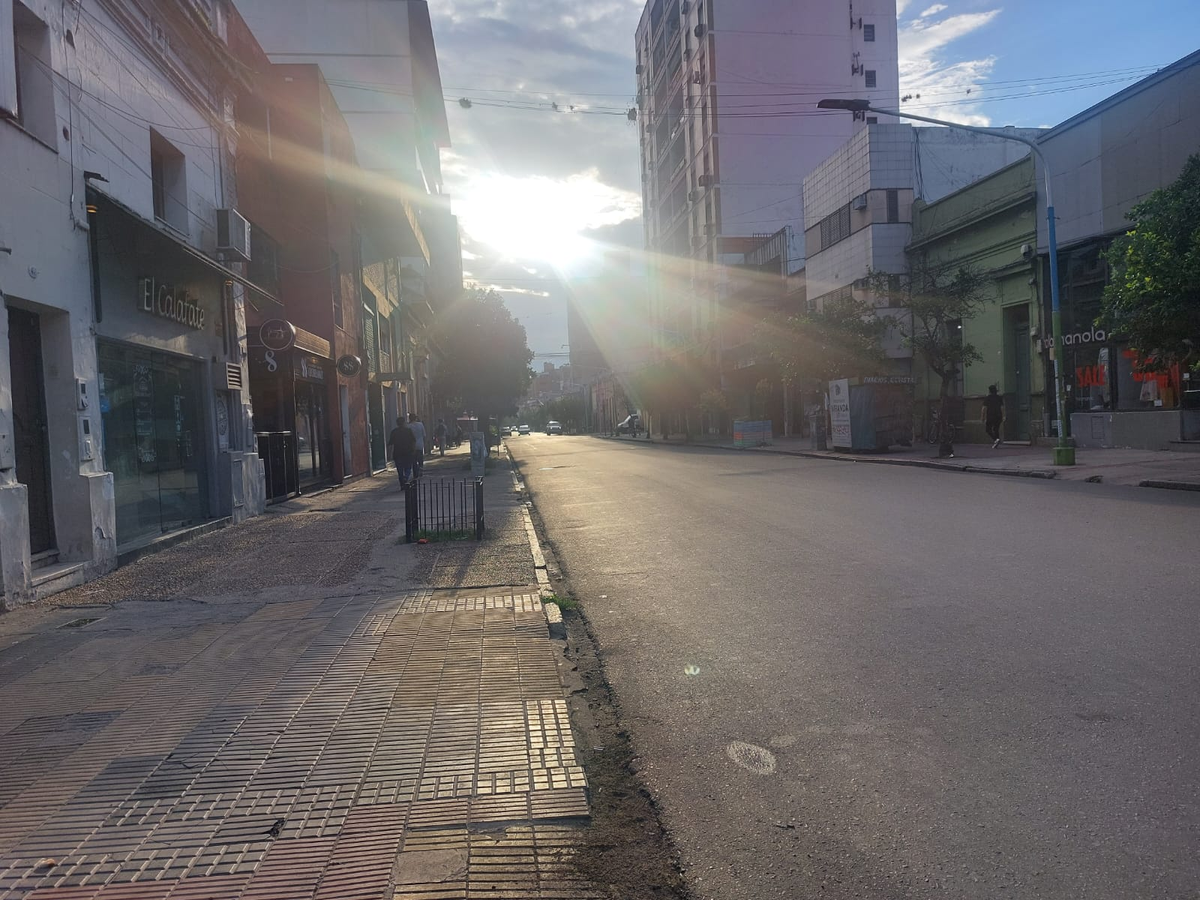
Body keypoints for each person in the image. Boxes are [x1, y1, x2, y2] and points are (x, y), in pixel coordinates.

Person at [389, 416, 417, 487]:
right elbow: (413, 441)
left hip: (397, 453)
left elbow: (391, 443)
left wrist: (390, 454)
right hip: (408, 452)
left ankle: (402, 483)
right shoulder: (408, 431)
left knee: (400, 469)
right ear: (404, 422)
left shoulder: (394, 432)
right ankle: (406, 477)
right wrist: (413, 450)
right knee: (408, 467)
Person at [408, 413, 427, 478]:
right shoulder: (420, 425)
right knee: (420, 459)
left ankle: (415, 473)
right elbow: (424, 435)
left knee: (414, 460)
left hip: (411, 446)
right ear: (416, 418)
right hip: (420, 445)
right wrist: (425, 443)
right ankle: (421, 470)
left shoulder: (408, 426)